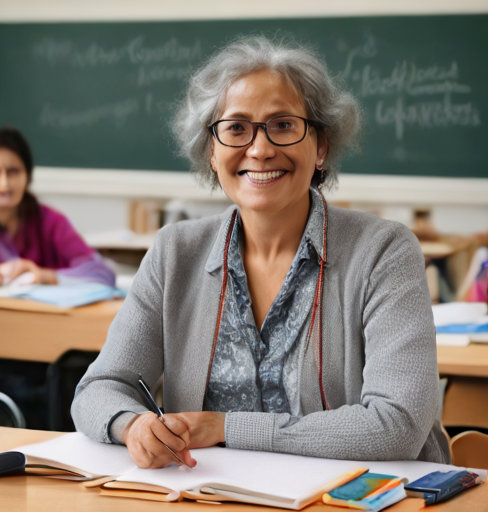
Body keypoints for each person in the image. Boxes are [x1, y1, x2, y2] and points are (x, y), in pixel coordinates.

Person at [72, 36, 450, 468]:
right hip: (213, 494)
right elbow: (99, 388)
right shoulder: (174, 252)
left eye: (283, 124)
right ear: (211, 152)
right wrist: (132, 425)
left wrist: (225, 427)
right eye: (236, 128)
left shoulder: (384, 251)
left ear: (321, 146)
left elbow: (397, 425)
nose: (260, 148)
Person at [0, 127, 115, 288]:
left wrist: (44, 276)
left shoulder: (52, 222)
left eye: (12, 172)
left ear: (27, 176)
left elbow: (103, 274)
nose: (4, 184)